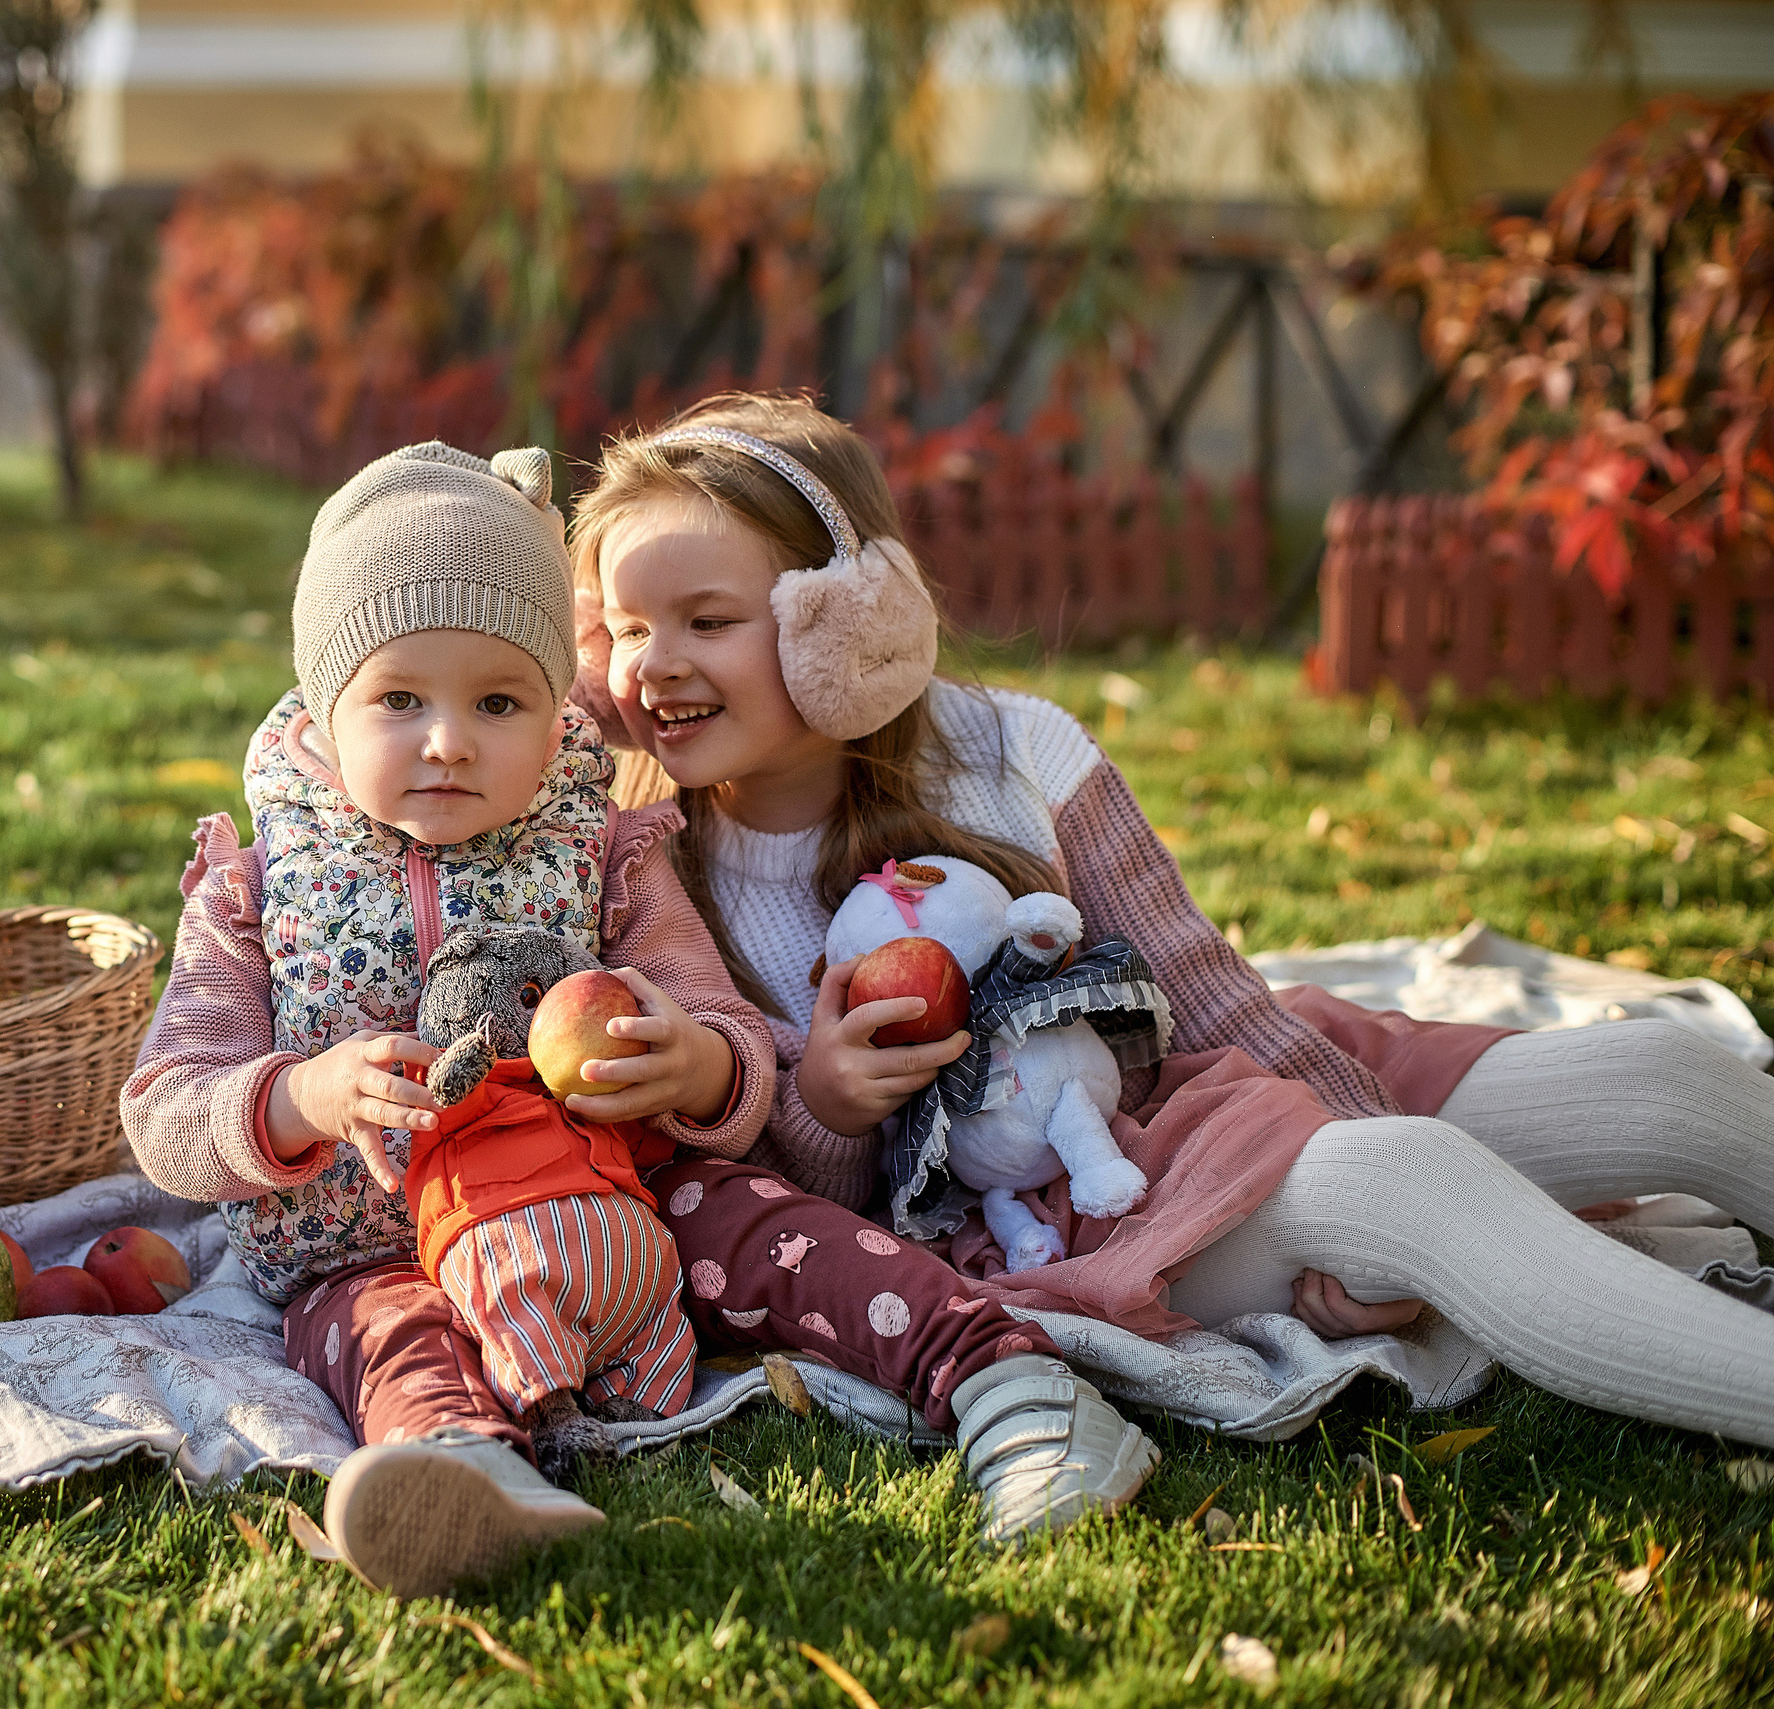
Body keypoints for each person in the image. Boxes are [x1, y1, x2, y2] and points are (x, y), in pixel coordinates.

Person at [569, 391, 1774, 1453]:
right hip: (1068, 1201)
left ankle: (1413, 1188)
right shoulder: (646, 864)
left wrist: (1342, 1111)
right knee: (1412, 1186)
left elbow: (1207, 993)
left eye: (705, 620)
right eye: (625, 629)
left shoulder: (1014, 747)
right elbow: (781, 1207)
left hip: (1191, 1072)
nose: (652, 666)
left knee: (1666, 1074)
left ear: (847, 618)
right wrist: (828, 1105)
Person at [122, 439, 1156, 1600]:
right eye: (398, 697)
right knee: (386, 1336)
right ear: (324, 703)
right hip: (372, 1239)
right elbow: (165, 1109)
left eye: (499, 698)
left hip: (626, 1199)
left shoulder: (610, 855)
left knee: (791, 1237)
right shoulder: (252, 891)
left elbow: (731, 1039)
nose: (449, 738)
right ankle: (464, 1471)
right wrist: (299, 1096)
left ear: (560, 699)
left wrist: (693, 1063)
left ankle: (1009, 1387)